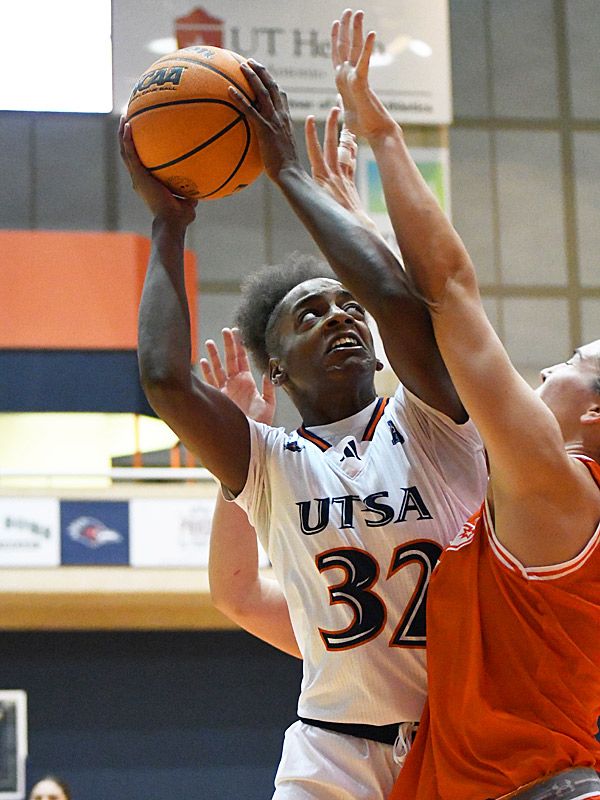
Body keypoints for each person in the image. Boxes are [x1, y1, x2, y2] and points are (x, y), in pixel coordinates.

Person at [119, 52, 487, 798]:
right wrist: (167, 224)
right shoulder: (270, 464)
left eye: (345, 307)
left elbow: (392, 293)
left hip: (462, 738)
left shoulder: (437, 416)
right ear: (275, 370)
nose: (339, 317)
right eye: (308, 314)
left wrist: (287, 171)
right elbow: (165, 379)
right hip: (333, 753)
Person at [330, 9, 600, 800]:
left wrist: (383, 139)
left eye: (572, 363)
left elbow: (450, 295)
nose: (545, 367)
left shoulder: (558, 493)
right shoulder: (534, 501)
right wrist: (358, 223)